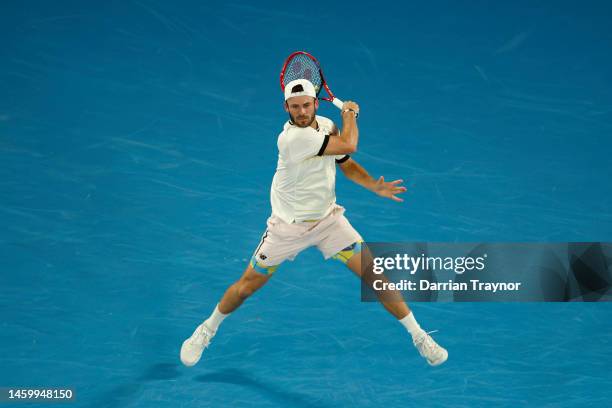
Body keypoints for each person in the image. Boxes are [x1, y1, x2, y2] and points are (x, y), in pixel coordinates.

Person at [180, 79, 448, 367]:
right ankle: (205, 330)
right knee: (246, 287)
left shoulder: (326, 126)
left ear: (315, 104)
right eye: (295, 107)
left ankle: (419, 336)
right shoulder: (293, 139)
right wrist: (350, 114)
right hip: (288, 229)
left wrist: (374, 186)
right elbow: (351, 144)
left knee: (375, 276)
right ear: (286, 108)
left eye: (306, 105)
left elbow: (345, 162)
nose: (301, 111)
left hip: (328, 222)